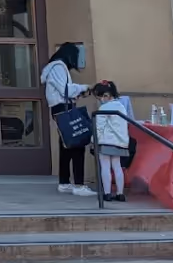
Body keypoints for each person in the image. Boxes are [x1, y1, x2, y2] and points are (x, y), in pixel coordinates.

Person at [40, 42, 95, 196]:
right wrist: (84, 87)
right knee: (77, 144)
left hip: (59, 108)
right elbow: (66, 90)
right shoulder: (58, 67)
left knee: (66, 146)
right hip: (63, 108)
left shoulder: (55, 67)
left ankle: (64, 182)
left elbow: (64, 90)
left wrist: (78, 91)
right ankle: (78, 185)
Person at [93, 80, 129, 202]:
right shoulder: (121, 107)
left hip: (106, 141)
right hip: (120, 142)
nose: (100, 100)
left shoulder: (103, 108)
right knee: (117, 167)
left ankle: (107, 193)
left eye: (99, 98)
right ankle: (120, 193)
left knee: (105, 167)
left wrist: (94, 141)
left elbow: (99, 127)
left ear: (106, 95)